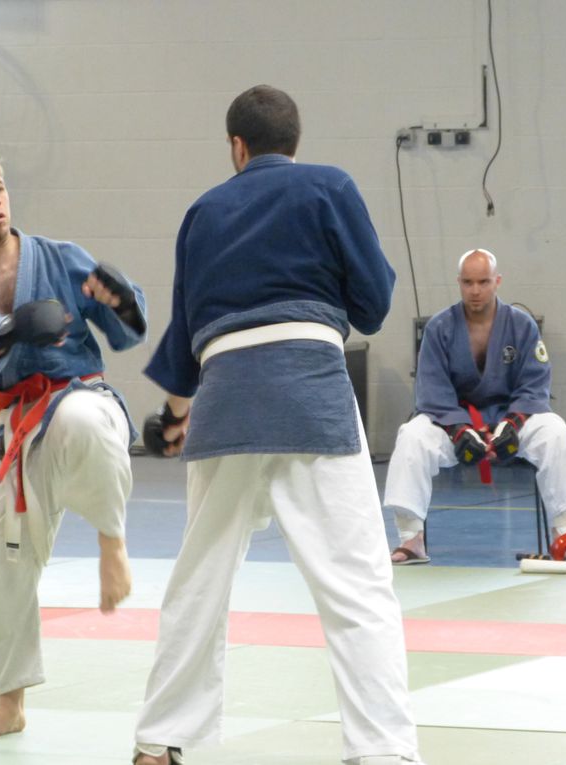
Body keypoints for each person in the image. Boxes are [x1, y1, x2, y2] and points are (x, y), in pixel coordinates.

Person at [131, 85, 423, 765]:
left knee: (199, 581)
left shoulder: (203, 211)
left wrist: (176, 418)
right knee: (356, 583)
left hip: (223, 395)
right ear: (294, 141)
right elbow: (375, 303)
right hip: (309, 387)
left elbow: (185, 333)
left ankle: (159, 742)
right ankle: (381, 751)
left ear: (236, 147)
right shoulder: (329, 187)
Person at [0, 149, 148, 739]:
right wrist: (9, 330)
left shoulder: (59, 259)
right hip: (19, 428)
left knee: (80, 420)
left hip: (84, 398)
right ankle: (10, 705)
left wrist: (122, 301)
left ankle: (112, 542)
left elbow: (125, 329)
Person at [383, 248, 566, 565]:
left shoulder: (521, 326)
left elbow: (535, 384)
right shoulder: (440, 327)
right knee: (411, 436)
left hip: (511, 423)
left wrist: (513, 423)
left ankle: (565, 537)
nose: (475, 290)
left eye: (483, 282)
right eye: (468, 282)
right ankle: (411, 541)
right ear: (459, 282)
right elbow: (431, 390)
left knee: (556, 433)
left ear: (497, 281)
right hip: (455, 423)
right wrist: (459, 429)